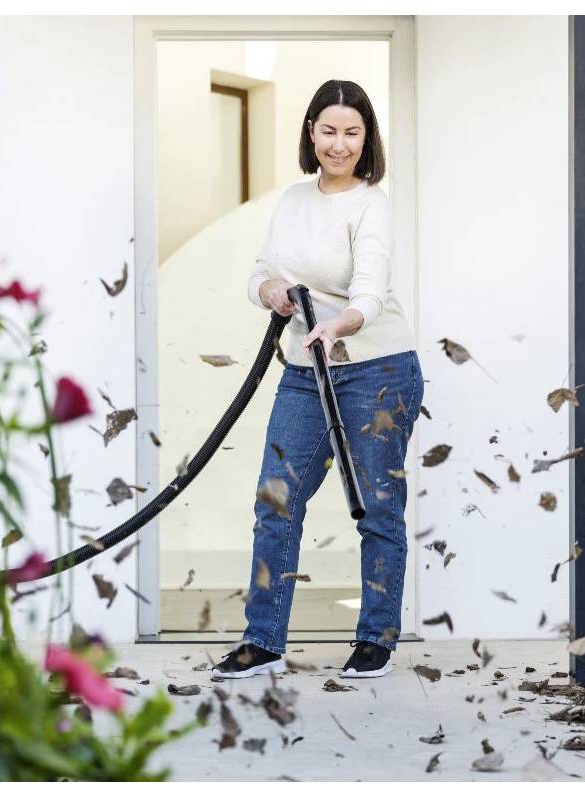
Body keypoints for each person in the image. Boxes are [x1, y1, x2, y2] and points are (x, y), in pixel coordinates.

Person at [211, 80, 423, 680]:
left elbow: (370, 291)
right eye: (328, 131)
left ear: (366, 138)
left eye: (351, 132)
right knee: (276, 499)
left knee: (377, 507)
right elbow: (260, 272)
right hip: (307, 371)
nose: (339, 144)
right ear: (311, 134)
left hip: (377, 370)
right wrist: (270, 292)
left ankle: (375, 637)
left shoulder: (371, 204)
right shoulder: (294, 201)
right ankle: (263, 641)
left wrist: (342, 324)